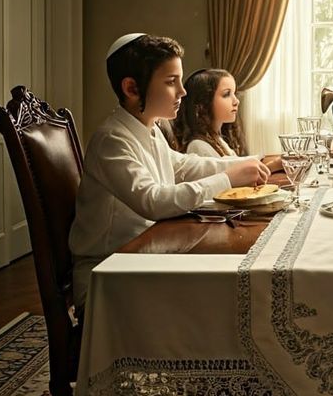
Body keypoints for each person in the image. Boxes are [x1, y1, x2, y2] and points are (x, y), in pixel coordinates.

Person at [68, 33, 268, 304]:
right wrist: (228, 179)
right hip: (108, 273)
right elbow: (153, 201)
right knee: (220, 290)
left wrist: (253, 162)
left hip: (143, 255)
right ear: (132, 89)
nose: (182, 92)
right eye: (171, 82)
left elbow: (185, 166)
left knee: (223, 279)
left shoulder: (149, 129)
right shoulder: (112, 139)